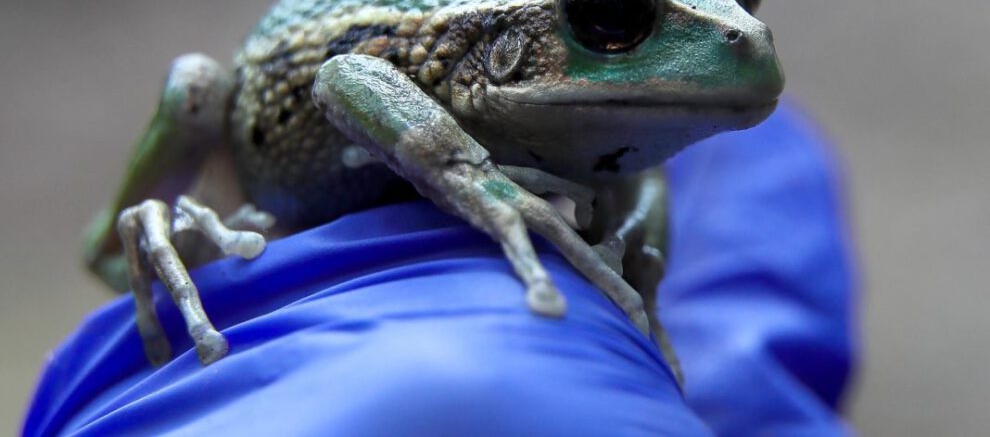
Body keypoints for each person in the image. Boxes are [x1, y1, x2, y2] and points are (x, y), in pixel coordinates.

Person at [23, 99, 857, 436]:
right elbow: (344, 72)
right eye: (612, 17)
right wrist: (470, 176)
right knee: (198, 86)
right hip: (278, 160)